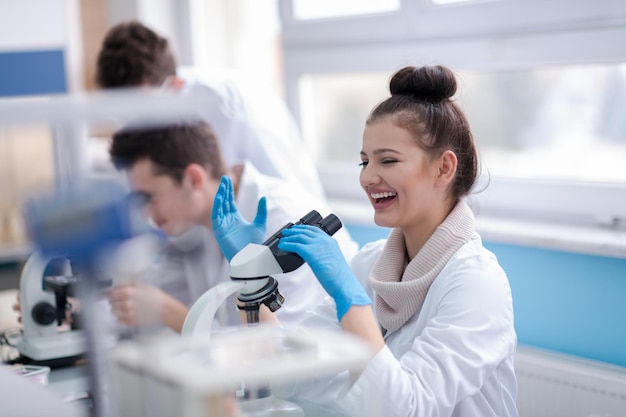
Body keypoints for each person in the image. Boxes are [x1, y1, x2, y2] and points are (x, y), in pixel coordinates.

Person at [213, 65, 518, 416]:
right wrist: (250, 281)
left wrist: (351, 301)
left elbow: (407, 408)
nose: (369, 178)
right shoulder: (370, 264)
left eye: (387, 160)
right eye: (363, 162)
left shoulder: (477, 284)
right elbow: (291, 373)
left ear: (444, 168)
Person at [106, 120, 358, 333]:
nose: (145, 212)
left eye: (149, 197)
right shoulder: (195, 221)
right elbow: (158, 292)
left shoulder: (280, 220)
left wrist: (169, 313)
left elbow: (277, 352)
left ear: (193, 178)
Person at [95, 20, 324, 198]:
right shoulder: (156, 115)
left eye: (141, 108)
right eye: (123, 112)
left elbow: (286, 190)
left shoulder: (222, 104)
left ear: (175, 86)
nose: (135, 122)